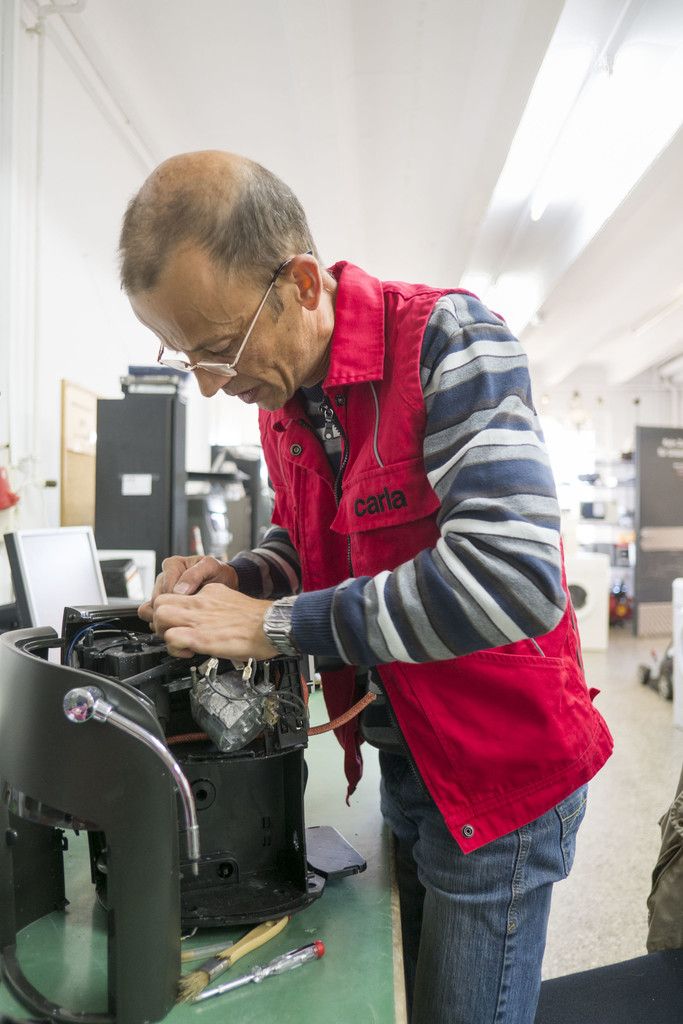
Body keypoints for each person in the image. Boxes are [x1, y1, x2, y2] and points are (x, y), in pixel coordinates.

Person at [118, 150, 613, 1024]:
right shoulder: (283, 402)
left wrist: (274, 623)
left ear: (302, 283)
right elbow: (310, 544)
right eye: (185, 355)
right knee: (414, 1000)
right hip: (408, 753)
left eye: (219, 347)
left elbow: (513, 579)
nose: (211, 384)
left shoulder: (448, 341)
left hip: (498, 770)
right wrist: (238, 579)